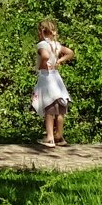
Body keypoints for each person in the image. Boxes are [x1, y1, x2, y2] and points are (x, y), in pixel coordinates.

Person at [31, 19, 74, 147]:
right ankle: (59, 136)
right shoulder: (56, 44)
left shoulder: (42, 45)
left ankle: (50, 138)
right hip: (56, 77)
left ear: (41, 32)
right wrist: (59, 61)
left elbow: (44, 56)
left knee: (49, 108)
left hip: (46, 77)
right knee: (60, 109)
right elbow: (70, 53)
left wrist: (42, 64)